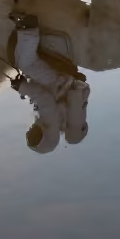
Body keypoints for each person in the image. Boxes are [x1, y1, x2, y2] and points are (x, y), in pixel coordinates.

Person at [10, 12, 90, 154]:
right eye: (35, 136)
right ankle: (29, 28)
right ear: (44, 138)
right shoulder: (50, 124)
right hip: (58, 82)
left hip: (59, 84)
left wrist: (25, 88)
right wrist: (22, 87)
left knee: (24, 66)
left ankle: (24, 30)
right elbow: (45, 99)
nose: (32, 131)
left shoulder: (56, 125)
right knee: (26, 64)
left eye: (31, 135)